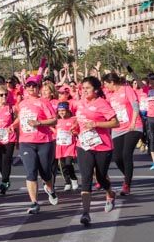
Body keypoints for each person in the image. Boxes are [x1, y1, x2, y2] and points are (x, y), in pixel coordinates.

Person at [73, 77, 119, 225]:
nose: (84, 90)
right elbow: (79, 120)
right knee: (86, 178)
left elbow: (115, 122)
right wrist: (75, 128)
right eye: (83, 88)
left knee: (100, 178)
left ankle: (110, 193)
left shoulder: (102, 103)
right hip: (84, 146)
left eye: (87, 88)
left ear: (96, 90)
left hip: (102, 146)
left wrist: (96, 124)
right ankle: (86, 213)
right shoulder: (80, 103)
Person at [15, 77, 59, 214]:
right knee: (31, 172)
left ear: (38, 87)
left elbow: (54, 120)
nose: (31, 88)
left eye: (34, 85)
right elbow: (20, 119)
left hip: (44, 141)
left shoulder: (44, 102)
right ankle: (34, 202)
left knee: (45, 172)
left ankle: (50, 189)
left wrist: (39, 123)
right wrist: (13, 126)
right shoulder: (21, 104)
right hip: (26, 142)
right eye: (28, 85)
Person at [101, 72, 142, 196]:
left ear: (112, 82)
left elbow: (136, 106)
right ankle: (128, 175)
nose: (105, 86)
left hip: (133, 127)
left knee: (126, 154)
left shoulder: (126, 89)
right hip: (118, 128)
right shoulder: (110, 95)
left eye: (106, 84)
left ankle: (127, 184)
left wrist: (133, 122)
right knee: (117, 157)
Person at [0, 84, 18, 196]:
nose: (4, 97)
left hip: (9, 137)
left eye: (6, 95)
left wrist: (13, 127)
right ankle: (5, 179)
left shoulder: (11, 108)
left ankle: (5, 181)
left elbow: (17, 120)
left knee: (6, 160)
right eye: (1, 95)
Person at [54, 103, 79, 191]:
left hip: (70, 145)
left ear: (68, 110)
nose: (61, 112)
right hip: (60, 146)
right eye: (60, 111)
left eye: (63, 110)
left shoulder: (73, 119)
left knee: (68, 163)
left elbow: (77, 131)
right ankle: (67, 182)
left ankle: (73, 179)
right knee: (62, 165)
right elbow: (54, 130)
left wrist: (74, 132)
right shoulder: (56, 121)